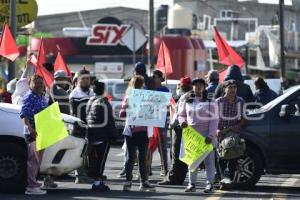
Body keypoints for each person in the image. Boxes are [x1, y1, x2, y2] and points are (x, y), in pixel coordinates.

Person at [178, 78, 219, 193]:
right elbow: (181, 115)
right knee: (192, 160)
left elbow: (214, 119)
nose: (198, 87)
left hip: (207, 135)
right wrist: (183, 122)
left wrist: (210, 135)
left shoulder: (211, 100)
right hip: (191, 136)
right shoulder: (187, 99)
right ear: (192, 86)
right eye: (196, 85)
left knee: (209, 161)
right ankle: (192, 184)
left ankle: (210, 184)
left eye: (201, 85)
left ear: (205, 86)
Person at [119, 75, 155, 192]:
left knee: (131, 158)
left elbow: (121, 114)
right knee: (142, 158)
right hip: (142, 131)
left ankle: (128, 182)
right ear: (143, 84)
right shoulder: (146, 97)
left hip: (131, 131)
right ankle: (143, 182)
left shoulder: (128, 97)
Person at [158, 76, 192, 185]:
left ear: (181, 86)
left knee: (176, 154)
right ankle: (180, 177)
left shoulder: (184, 97)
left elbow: (179, 114)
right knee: (183, 154)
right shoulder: (191, 96)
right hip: (189, 128)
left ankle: (172, 178)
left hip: (179, 128)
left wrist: (171, 125)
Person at [86, 80, 117, 191]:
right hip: (102, 135)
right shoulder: (103, 102)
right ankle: (98, 182)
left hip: (91, 134)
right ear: (103, 90)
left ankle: (97, 180)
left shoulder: (90, 100)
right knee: (101, 160)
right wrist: (113, 135)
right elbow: (109, 121)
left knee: (94, 160)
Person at [20, 75, 48, 195]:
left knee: (37, 161)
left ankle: (34, 183)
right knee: (33, 161)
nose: (38, 85)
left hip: (42, 132)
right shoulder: (29, 97)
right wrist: (30, 129)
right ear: (30, 84)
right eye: (36, 82)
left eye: (40, 82)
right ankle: (31, 187)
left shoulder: (42, 96)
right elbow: (24, 115)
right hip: (33, 133)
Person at [216, 80, 246, 187]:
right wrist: (217, 130)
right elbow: (212, 119)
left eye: (234, 87)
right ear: (224, 89)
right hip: (220, 132)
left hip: (233, 132)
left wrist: (236, 127)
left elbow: (244, 118)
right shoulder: (218, 101)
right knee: (220, 157)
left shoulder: (240, 101)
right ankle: (222, 179)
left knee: (233, 154)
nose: (232, 89)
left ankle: (228, 179)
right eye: (230, 87)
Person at [69, 67, 94, 184]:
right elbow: (76, 112)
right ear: (78, 80)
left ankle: (88, 173)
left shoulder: (91, 92)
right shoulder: (75, 94)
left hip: (91, 126)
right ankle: (80, 175)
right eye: (83, 79)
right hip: (80, 127)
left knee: (87, 152)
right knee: (81, 152)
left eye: (88, 79)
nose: (86, 81)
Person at [148, 70, 169, 176]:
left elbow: (166, 104)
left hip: (161, 121)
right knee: (149, 145)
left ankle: (164, 168)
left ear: (161, 78)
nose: (153, 78)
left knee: (162, 146)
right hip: (149, 121)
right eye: (151, 76)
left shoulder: (165, 90)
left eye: (154, 76)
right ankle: (148, 167)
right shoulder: (148, 89)